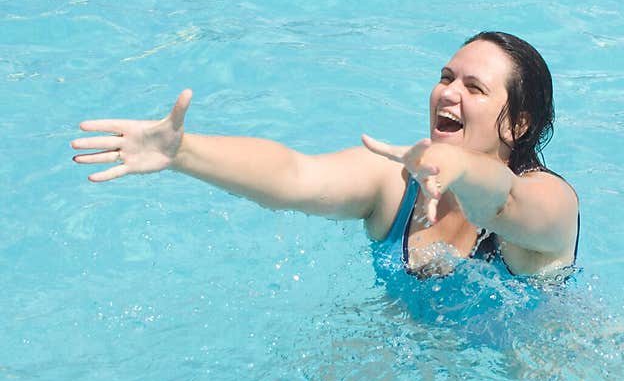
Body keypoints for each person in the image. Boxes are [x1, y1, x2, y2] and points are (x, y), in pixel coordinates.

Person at [71, 31, 580, 281]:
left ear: (517, 123)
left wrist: (461, 168)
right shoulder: (396, 182)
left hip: (534, 372)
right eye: (446, 78)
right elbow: (295, 176)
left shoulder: (549, 199)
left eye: (474, 87)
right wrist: (183, 152)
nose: (448, 93)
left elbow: (503, 203)